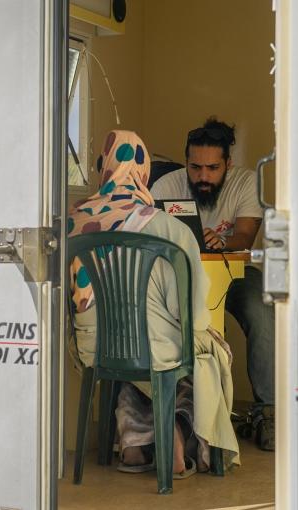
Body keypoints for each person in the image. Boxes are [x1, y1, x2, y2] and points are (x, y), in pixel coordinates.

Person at [68, 130, 240, 477]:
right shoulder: (168, 227)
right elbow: (188, 313)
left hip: (93, 346)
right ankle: (177, 440)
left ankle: (133, 444)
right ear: (144, 172)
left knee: (133, 369)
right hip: (155, 347)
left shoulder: (75, 219)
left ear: (104, 168)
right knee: (206, 357)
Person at [151, 117, 275, 451]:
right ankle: (176, 418)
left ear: (227, 164)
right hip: (175, 277)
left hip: (232, 273)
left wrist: (222, 242)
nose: (203, 176)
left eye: (212, 168)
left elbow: (246, 236)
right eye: (195, 167)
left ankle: (268, 413)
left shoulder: (246, 183)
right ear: (186, 161)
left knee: (263, 309)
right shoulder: (164, 187)